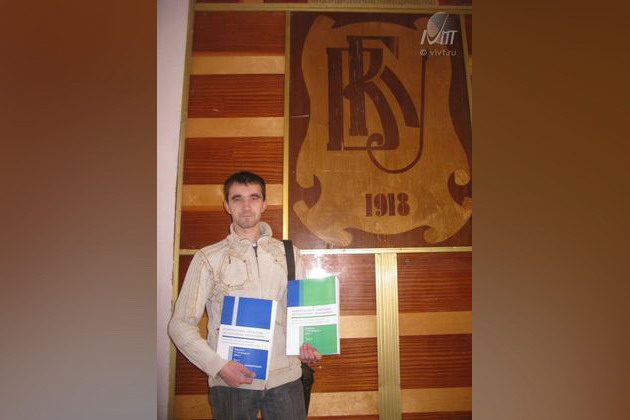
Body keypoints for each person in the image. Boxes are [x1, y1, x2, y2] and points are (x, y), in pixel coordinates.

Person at [168, 171, 321, 420]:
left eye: (254, 197)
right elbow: (180, 325)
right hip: (232, 383)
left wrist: (308, 344)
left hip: (286, 380)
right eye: (237, 198)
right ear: (227, 205)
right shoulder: (208, 258)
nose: (246, 206)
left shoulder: (289, 253)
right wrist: (218, 367)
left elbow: (300, 315)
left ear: (264, 203)